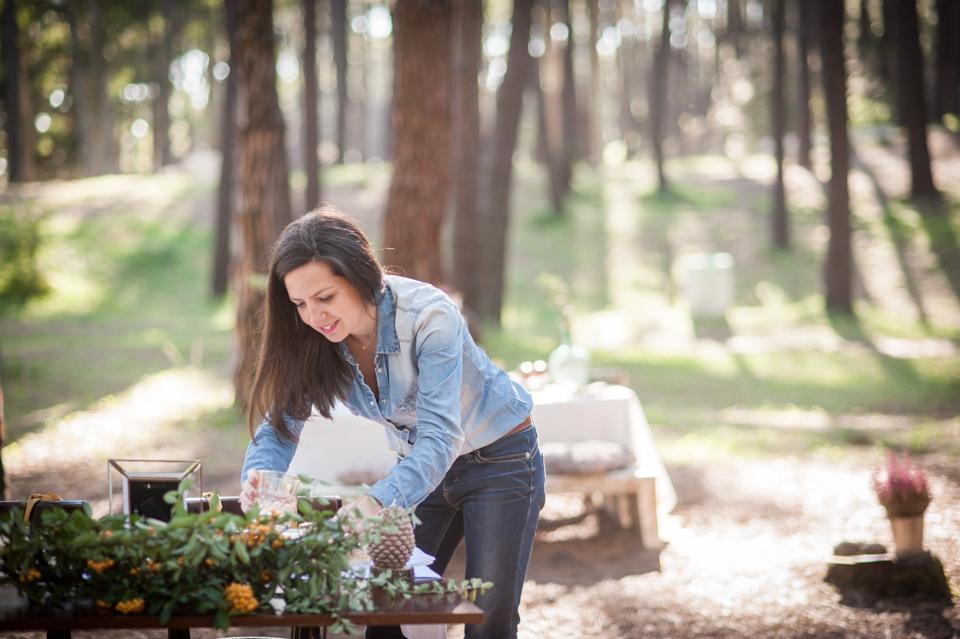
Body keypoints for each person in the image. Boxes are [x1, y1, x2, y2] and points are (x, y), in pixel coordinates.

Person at [239, 208, 545, 639]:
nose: (313, 317)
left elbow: (440, 437)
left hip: (500, 459)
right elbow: (280, 425)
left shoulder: (429, 316)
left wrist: (375, 503)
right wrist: (260, 480)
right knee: (387, 611)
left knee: (487, 617)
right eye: (299, 304)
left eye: (325, 297)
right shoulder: (313, 336)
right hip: (418, 469)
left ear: (360, 275)